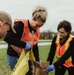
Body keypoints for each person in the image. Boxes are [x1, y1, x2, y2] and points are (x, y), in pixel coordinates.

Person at [4, 5, 48, 75]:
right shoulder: (21, 25)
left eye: (40, 26)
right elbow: (7, 37)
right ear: (33, 19)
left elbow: (35, 45)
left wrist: (37, 59)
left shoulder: (36, 30)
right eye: (37, 25)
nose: (38, 28)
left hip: (25, 56)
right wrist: (24, 45)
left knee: (29, 73)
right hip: (14, 55)